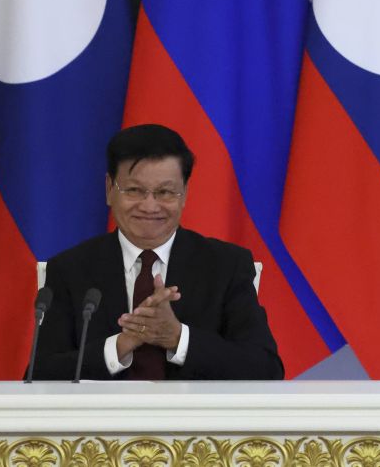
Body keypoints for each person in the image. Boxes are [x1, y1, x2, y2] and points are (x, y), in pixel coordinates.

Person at [31, 124, 283, 380]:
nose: (149, 206)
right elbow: (40, 375)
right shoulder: (70, 269)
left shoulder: (226, 265)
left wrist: (177, 338)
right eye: (134, 190)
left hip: (194, 420)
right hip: (102, 420)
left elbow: (266, 369)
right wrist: (120, 346)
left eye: (164, 192)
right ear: (109, 189)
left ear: (184, 193)